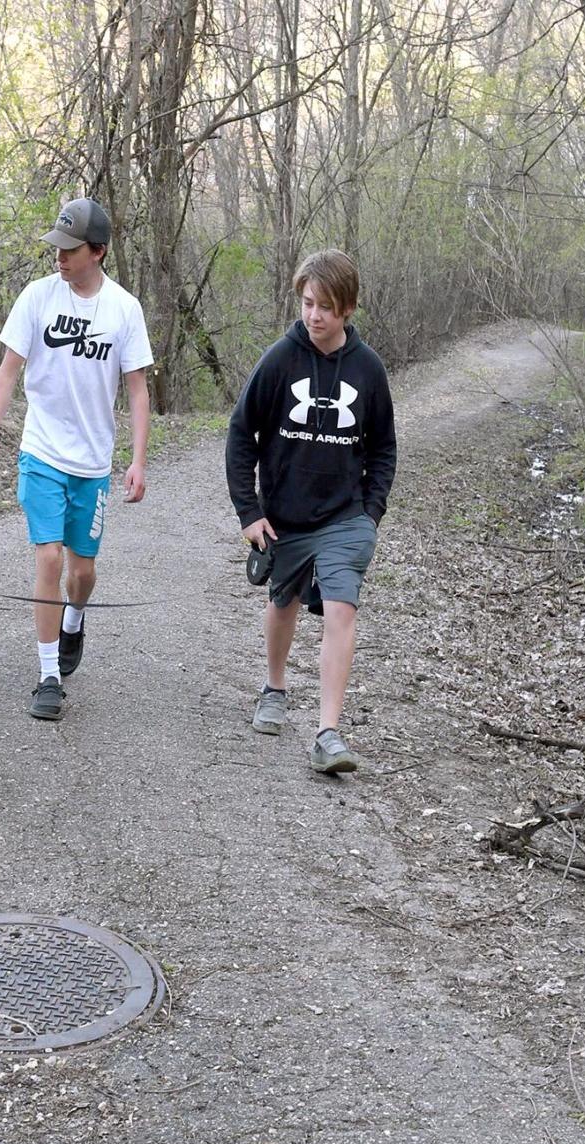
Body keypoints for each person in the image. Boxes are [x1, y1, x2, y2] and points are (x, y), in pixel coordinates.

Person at [0, 197, 153, 719]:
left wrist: (137, 461)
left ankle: (74, 620)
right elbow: (8, 370)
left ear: (97, 252)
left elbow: (137, 390)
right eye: (57, 248)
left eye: (70, 250)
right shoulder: (37, 298)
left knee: (82, 573)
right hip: (42, 451)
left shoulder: (124, 309)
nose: (60, 258)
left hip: (93, 463)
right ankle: (49, 675)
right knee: (48, 558)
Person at [225, 249, 397, 773]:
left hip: (345, 518)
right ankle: (274, 687)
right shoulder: (280, 359)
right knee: (284, 604)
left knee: (342, 609)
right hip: (287, 517)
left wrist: (369, 513)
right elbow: (240, 435)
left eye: (325, 306)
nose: (314, 315)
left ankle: (328, 733)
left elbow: (384, 448)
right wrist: (249, 513)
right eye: (307, 303)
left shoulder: (367, 369)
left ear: (348, 308)